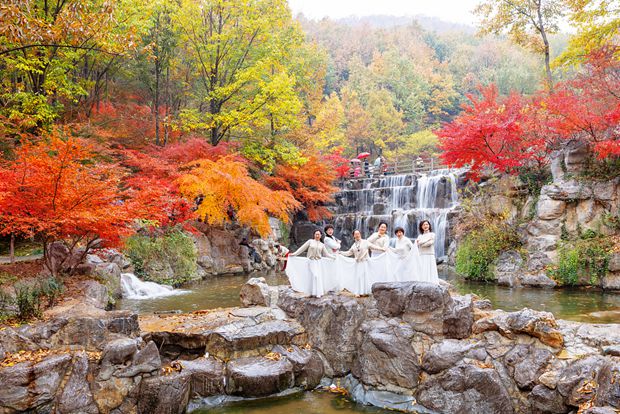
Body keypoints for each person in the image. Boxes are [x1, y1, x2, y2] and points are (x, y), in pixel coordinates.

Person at [287, 230, 335, 297]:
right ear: (314, 235)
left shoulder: (322, 245)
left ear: (321, 235)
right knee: (313, 275)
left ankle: (317, 292)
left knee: (317, 276)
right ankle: (310, 291)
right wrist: (294, 254)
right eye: (316, 234)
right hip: (310, 261)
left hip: (318, 262)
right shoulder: (310, 241)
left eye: (318, 234)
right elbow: (302, 249)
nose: (317, 236)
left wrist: (334, 257)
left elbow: (327, 254)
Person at [340, 229, 386, 295]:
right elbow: (349, 253)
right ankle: (358, 292)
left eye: (358, 233)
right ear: (353, 236)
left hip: (365, 262)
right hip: (357, 263)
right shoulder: (354, 245)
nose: (357, 235)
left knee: (364, 276)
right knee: (358, 277)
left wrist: (382, 249)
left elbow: (373, 247)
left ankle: (365, 291)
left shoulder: (365, 242)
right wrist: (341, 253)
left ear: (360, 234)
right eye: (355, 234)